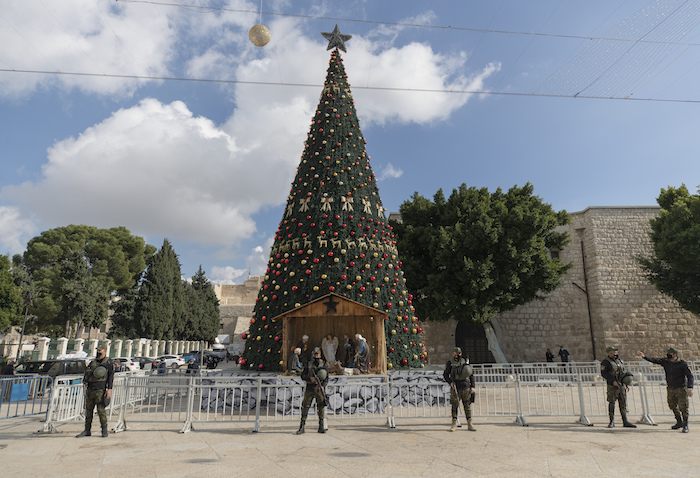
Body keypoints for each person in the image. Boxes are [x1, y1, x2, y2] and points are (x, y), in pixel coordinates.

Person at [637, 347, 694, 433]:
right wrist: (645, 356)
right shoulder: (666, 362)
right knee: (672, 405)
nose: (667, 355)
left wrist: (690, 388)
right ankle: (679, 422)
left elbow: (690, 376)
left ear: (675, 354)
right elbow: (654, 360)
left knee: (683, 407)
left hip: (681, 388)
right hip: (671, 388)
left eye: (669, 354)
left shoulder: (682, 364)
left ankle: (685, 425)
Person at [77, 346, 114, 438]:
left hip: (100, 389)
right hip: (90, 389)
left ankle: (104, 430)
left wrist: (109, 389)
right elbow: (87, 374)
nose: (98, 352)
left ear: (104, 351)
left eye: (100, 350)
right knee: (88, 411)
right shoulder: (93, 362)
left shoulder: (108, 363)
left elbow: (110, 377)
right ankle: (87, 430)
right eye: (97, 350)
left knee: (101, 410)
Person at [600, 346, 636, 428]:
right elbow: (604, 373)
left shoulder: (619, 361)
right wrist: (613, 381)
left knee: (623, 402)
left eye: (616, 352)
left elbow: (622, 372)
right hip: (612, 385)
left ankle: (625, 421)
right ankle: (611, 421)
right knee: (612, 402)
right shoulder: (605, 362)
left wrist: (626, 383)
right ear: (610, 353)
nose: (616, 353)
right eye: (614, 352)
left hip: (621, 385)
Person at [296, 347, 329, 435]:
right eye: (315, 354)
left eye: (317, 354)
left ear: (320, 355)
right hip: (310, 388)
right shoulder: (308, 364)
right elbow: (302, 375)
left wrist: (323, 386)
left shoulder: (323, 364)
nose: (316, 356)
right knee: (305, 407)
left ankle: (321, 426)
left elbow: (326, 378)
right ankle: (302, 426)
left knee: (321, 407)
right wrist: (310, 378)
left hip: (319, 389)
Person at [444, 347, 476, 432]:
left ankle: (470, 424)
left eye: (459, 353)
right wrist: (450, 382)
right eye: (456, 353)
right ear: (453, 353)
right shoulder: (450, 363)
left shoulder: (465, 362)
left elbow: (471, 375)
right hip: (455, 387)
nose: (457, 354)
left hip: (466, 386)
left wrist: (472, 386)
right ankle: (454, 424)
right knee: (454, 406)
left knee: (467, 406)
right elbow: (445, 375)